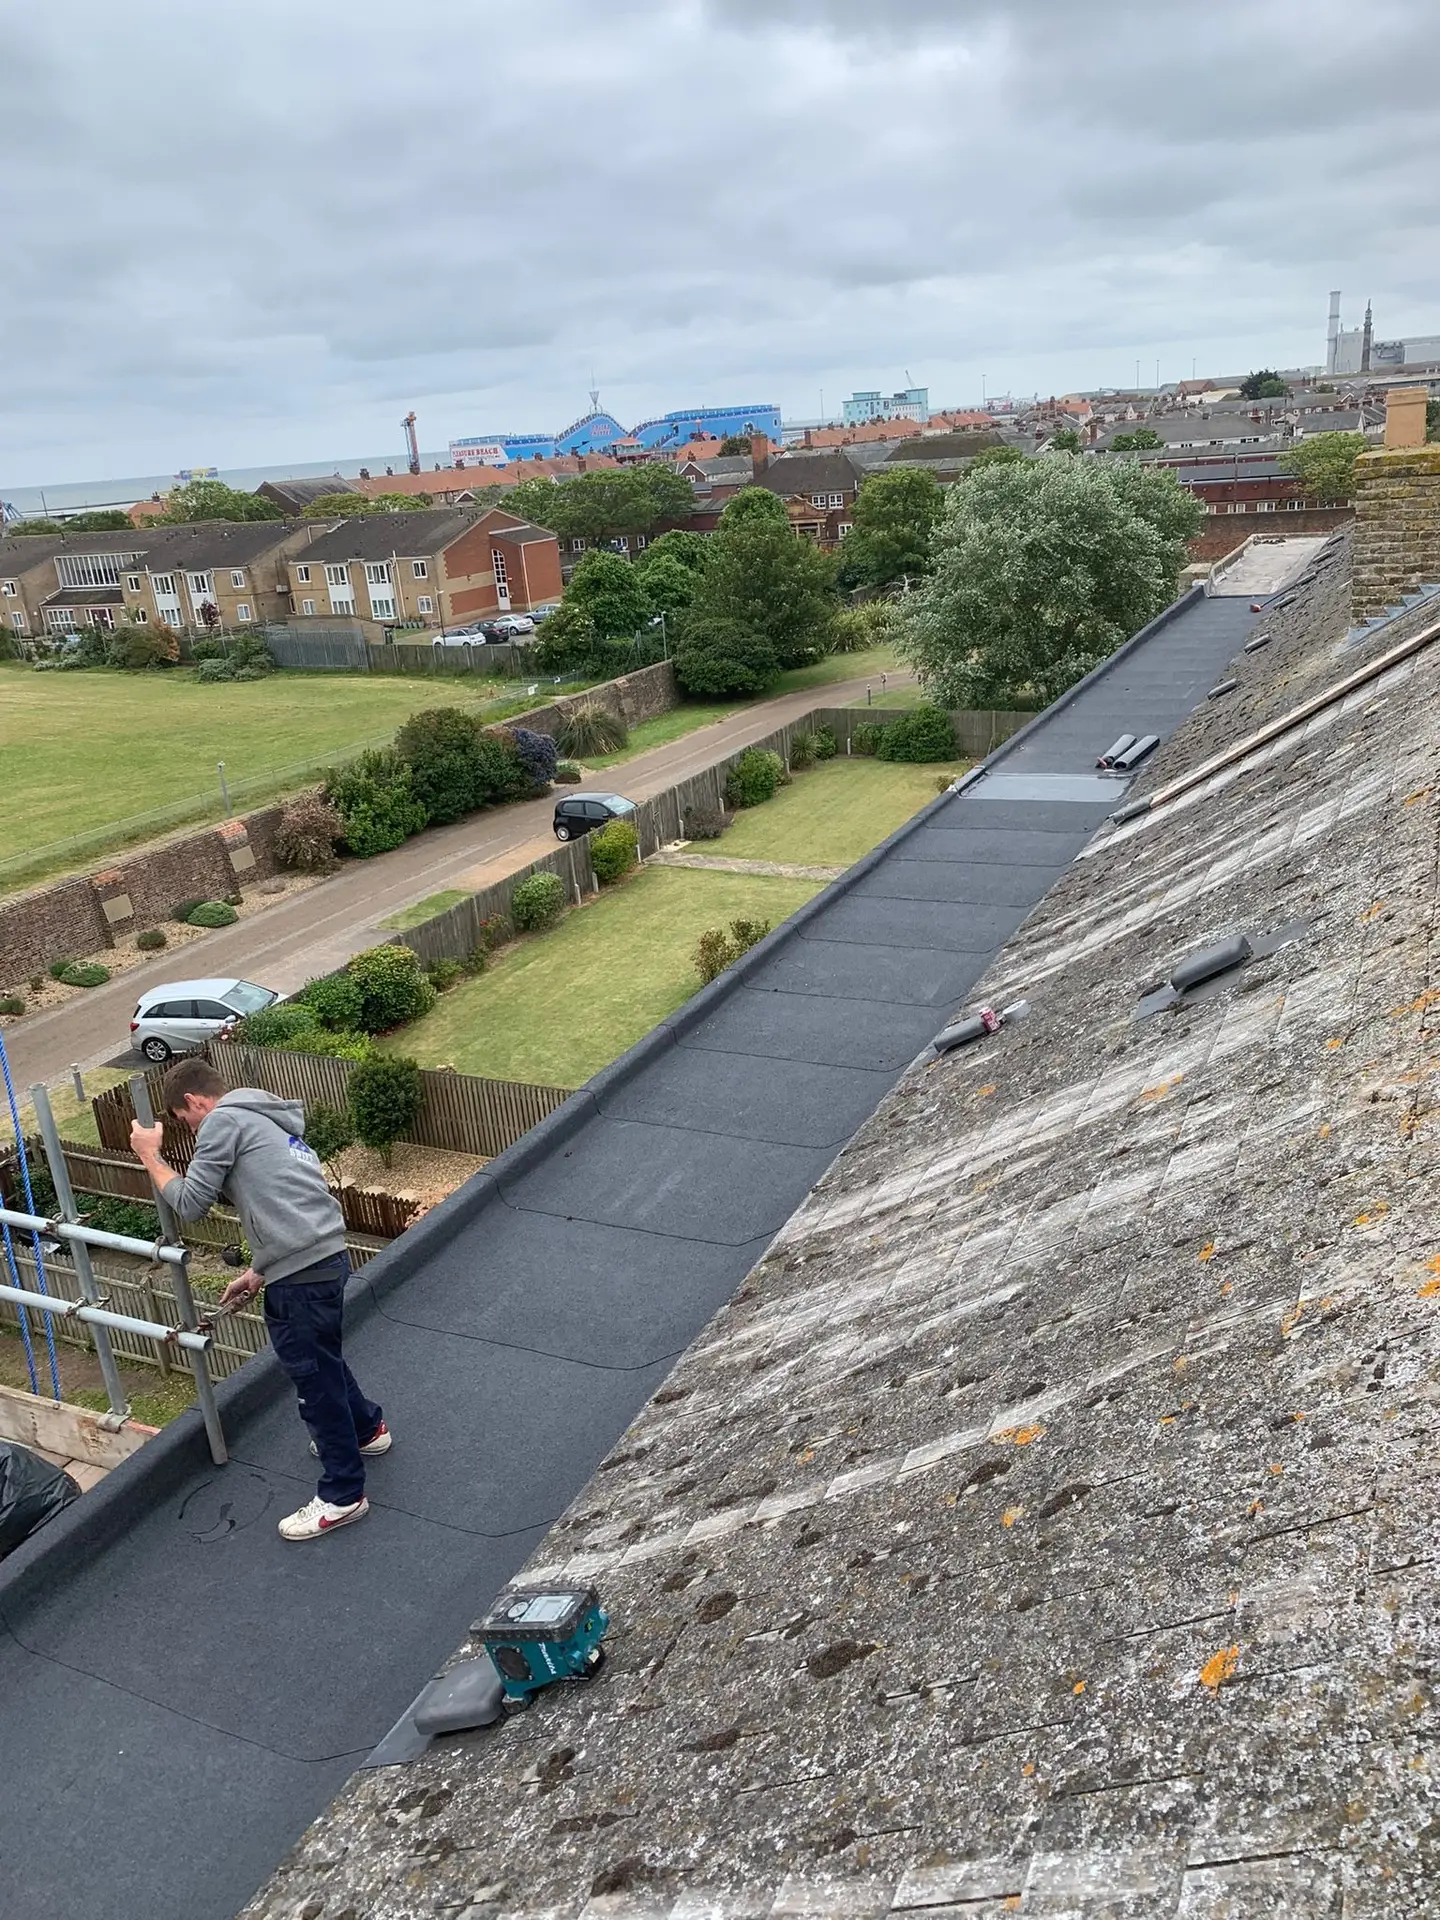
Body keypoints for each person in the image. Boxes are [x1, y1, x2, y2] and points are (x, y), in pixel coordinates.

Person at [130, 1059, 390, 1542]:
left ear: (194, 1102)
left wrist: (150, 1155)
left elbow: (190, 1204)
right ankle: (367, 1430)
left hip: (302, 1276)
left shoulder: (222, 1122)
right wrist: (259, 1270)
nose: (188, 1126)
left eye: (183, 1118)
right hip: (324, 1257)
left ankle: (343, 1495)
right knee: (324, 1361)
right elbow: (285, 1200)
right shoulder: (263, 1119)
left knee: (314, 1383)